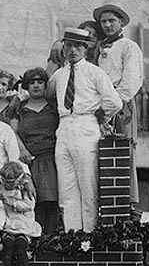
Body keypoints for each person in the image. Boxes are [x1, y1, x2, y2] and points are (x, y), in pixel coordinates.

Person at [47, 27, 122, 232]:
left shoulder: (94, 72)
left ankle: (89, 235)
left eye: (77, 46)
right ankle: (73, 235)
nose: (72, 51)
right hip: (64, 127)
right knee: (67, 187)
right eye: (68, 46)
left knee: (87, 186)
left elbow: (115, 102)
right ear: (63, 48)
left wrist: (99, 116)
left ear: (85, 48)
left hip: (86, 126)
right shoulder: (59, 76)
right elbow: (47, 95)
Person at [93, 3, 143, 204]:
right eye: (103, 21)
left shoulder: (130, 47)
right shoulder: (100, 47)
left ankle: (127, 202)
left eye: (111, 21)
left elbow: (131, 81)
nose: (107, 25)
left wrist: (112, 106)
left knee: (123, 151)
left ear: (121, 22)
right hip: (100, 104)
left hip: (120, 105)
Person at [10, 67, 60, 234]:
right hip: (29, 160)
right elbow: (13, 133)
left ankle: (51, 238)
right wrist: (22, 150)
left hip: (52, 158)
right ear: (26, 85)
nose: (36, 85)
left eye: (40, 82)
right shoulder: (20, 107)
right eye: (32, 82)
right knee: (32, 200)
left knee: (52, 199)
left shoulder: (54, 106)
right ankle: (34, 237)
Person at [0, 161, 42, 266]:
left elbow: (29, 206)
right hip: (9, 223)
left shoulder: (25, 190)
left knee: (21, 245)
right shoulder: (1, 187)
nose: (7, 184)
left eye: (10, 182)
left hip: (23, 223)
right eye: (5, 181)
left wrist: (13, 203)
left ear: (18, 179)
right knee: (8, 243)